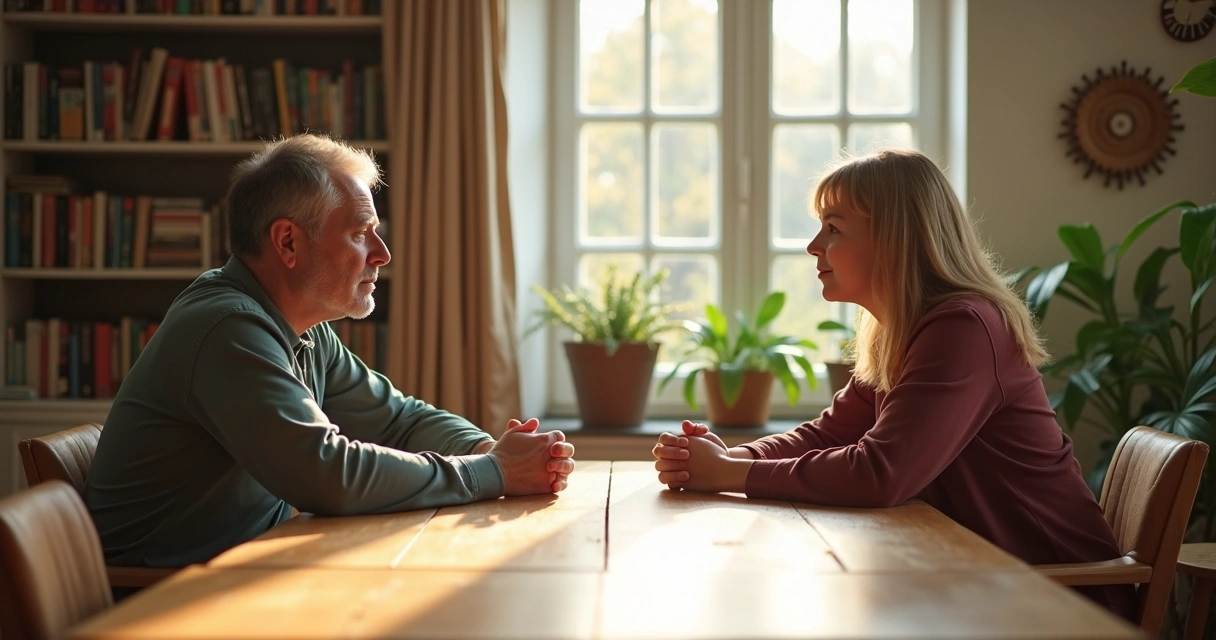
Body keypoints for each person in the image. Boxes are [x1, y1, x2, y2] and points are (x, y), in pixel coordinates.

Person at [650, 149, 1134, 619]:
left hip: (1066, 601)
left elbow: (880, 473)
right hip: (987, 586)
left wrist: (728, 475)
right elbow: (830, 433)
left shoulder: (964, 328)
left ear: (895, 240)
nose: (813, 246)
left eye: (833, 229)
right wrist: (733, 457)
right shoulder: (901, 330)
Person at [84, 134, 575, 568]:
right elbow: (328, 475)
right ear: (288, 242)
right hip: (154, 598)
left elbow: (398, 420)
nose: (382, 253)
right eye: (360, 233)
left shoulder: (300, 329)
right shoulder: (227, 328)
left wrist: (487, 450)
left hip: (238, 573)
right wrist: (495, 472)